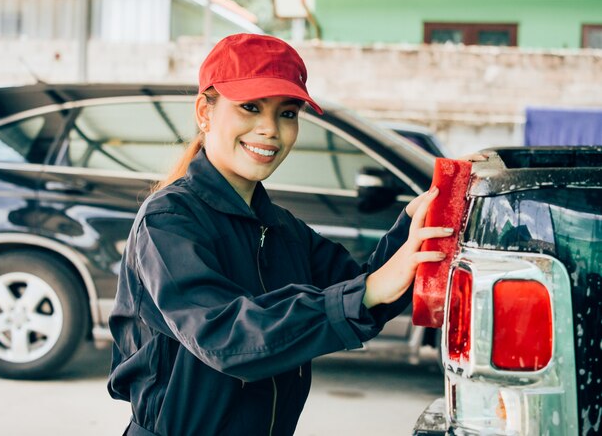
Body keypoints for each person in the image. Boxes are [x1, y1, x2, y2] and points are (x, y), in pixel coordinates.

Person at [107, 33, 453, 436]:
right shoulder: (169, 220)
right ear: (205, 112)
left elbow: (363, 294)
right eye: (250, 108)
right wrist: (371, 290)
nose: (269, 129)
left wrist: (415, 226)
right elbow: (226, 337)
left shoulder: (282, 228)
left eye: (287, 113)